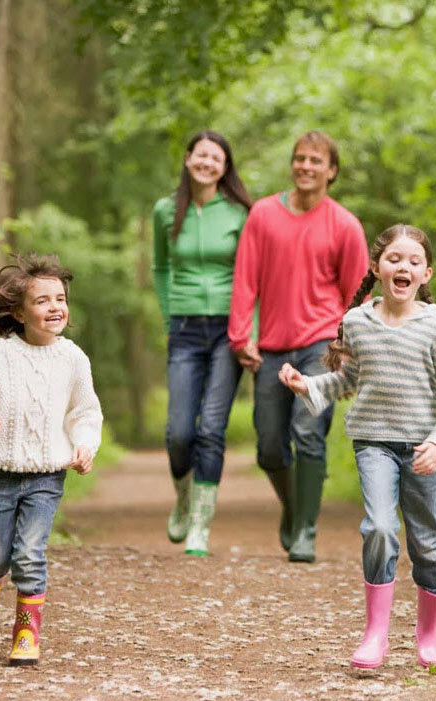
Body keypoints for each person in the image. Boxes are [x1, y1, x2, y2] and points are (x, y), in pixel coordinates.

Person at [278, 224, 436, 669]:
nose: (404, 267)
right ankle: (376, 634)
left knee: (427, 542)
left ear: (427, 274)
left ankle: (429, 632)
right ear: (379, 267)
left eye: (414, 261)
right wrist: (308, 386)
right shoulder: (358, 321)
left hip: (423, 448)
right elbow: (350, 379)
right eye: (395, 259)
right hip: (373, 442)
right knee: (380, 528)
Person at [228, 131, 368, 563]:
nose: (306, 166)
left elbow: (358, 295)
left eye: (315, 160)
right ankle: (295, 507)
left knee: (307, 432)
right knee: (269, 444)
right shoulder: (264, 214)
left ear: (332, 171)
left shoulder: (344, 224)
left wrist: (347, 349)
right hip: (271, 346)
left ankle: (306, 530)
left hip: (321, 346)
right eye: (299, 158)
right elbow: (245, 278)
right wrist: (240, 336)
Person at [0, 254, 103, 667]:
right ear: (19, 313)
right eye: (42, 300)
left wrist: (84, 445)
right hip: (0, 474)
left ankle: (26, 630)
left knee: (30, 553)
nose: (55, 306)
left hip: (47, 475)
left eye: (60, 298)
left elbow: (85, 412)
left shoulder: (73, 358)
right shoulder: (0, 354)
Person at [153, 130, 253, 556]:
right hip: (185, 328)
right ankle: (183, 497)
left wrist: (251, 330)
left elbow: (252, 275)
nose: (207, 163)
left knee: (211, 428)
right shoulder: (164, 210)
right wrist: (168, 312)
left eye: (217, 158)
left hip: (229, 330)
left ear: (225, 167)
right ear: (188, 158)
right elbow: (160, 267)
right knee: (179, 432)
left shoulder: (238, 213)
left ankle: (200, 525)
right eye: (201, 155)